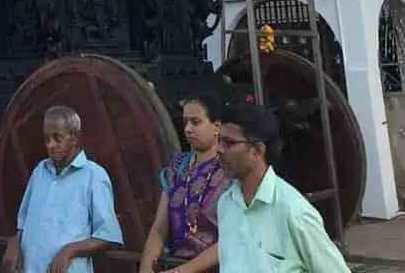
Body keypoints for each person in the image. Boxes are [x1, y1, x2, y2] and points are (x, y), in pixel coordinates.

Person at [215, 103, 350, 273]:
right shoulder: (226, 203)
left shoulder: (293, 211)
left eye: (228, 143)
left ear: (257, 151)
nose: (218, 150)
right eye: (219, 141)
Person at [3, 106, 123, 273]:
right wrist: (15, 242)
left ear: (74, 137)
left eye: (57, 138)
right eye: (46, 139)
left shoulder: (94, 176)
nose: (50, 145)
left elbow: (106, 234)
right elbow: (23, 222)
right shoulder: (40, 171)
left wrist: (69, 251)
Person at [139, 95, 229, 273]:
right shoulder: (177, 167)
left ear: (217, 127)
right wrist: (146, 266)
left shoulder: (230, 169)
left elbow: (232, 239)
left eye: (196, 122)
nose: (188, 129)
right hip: (175, 263)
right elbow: (160, 228)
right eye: (185, 122)